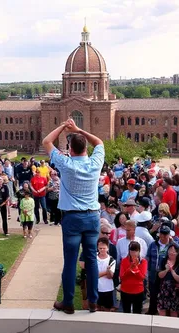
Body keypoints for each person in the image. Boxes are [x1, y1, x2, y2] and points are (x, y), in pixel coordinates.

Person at [44, 119, 104, 314]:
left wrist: (63, 127)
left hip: (72, 218)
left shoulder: (66, 163)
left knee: (70, 261)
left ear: (70, 149)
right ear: (85, 147)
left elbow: (47, 141)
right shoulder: (95, 163)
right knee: (91, 260)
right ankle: (93, 301)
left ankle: (68, 302)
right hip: (92, 217)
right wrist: (79, 130)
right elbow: (100, 143)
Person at [146, 226, 177, 315]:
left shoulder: (173, 245)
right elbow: (148, 257)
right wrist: (148, 271)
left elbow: (178, 256)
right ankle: (152, 311)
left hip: (167, 274)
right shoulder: (153, 244)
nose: (163, 237)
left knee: (165, 294)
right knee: (153, 293)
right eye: (161, 235)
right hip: (154, 273)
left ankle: (165, 312)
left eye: (165, 235)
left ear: (169, 235)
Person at [157, 243, 179, 317]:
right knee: (162, 310)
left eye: (174, 251)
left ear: (177, 253)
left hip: (175, 290)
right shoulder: (163, 261)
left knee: (174, 311)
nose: (171, 253)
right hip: (164, 289)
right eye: (170, 250)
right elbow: (160, 275)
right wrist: (166, 270)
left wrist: (172, 271)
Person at [119, 241, 147, 314]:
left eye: (136, 251)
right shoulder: (124, 261)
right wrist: (130, 269)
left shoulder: (143, 262)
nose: (134, 253)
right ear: (129, 251)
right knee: (126, 313)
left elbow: (142, 277)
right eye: (132, 251)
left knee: (137, 313)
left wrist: (136, 268)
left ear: (139, 251)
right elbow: (122, 277)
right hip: (125, 291)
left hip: (138, 291)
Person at [95, 237, 116, 311]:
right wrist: (106, 271)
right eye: (100, 248)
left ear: (107, 248)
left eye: (104, 248)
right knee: (96, 308)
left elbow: (110, 276)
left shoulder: (111, 260)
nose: (102, 250)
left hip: (107, 289)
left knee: (107, 308)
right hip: (96, 288)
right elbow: (94, 275)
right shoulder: (94, 258)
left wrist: (108, 272)